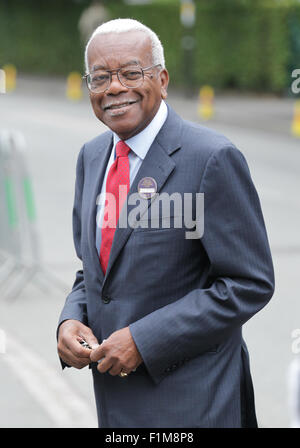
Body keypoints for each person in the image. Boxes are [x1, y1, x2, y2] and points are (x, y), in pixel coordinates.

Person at [57, 18, 275, 428]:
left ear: (162, 79)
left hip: (194, 403)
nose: (114, 88)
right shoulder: (91, 157)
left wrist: (144, 340)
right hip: (115, 405)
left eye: (130, 73)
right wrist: (71, 318)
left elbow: (249, 283)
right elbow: (94, 272)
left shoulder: (211, 158)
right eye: (100, 77)